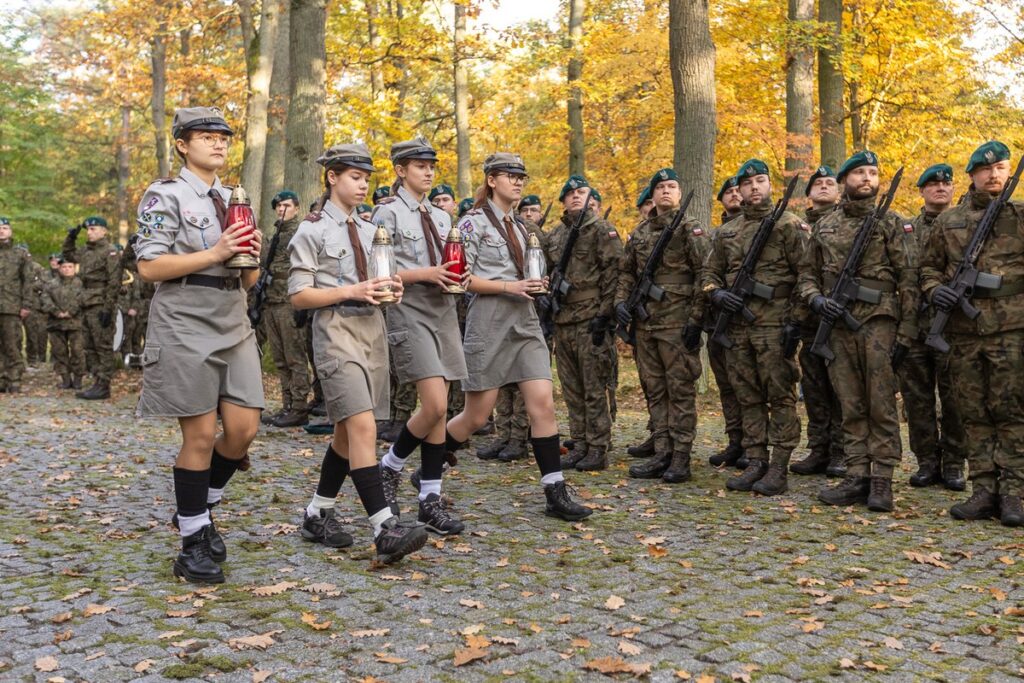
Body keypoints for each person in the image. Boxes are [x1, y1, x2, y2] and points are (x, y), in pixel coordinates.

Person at [134, 106, 265, 584]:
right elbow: (149, 267)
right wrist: (215, 252)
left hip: (233, 315)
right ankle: (192, 542)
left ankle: (200, 508)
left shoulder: (235, 198)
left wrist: (250, 254)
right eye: (205, 136)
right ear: (183, 145)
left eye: (224, 137)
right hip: (185, 317)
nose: (218, 144)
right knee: (200, 436)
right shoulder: (163, 195)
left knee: (244, 429)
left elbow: (249, 275)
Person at [289, 142, 428, 560]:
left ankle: (317, 513)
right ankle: (383, 527)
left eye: (367, 177)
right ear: (332, 177)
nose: (363, 184)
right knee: (364, 427)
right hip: (335, 331)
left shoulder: (372, 232)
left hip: (372, 331)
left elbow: (383, 281)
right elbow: (298, 295)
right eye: (354, 176)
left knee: (347, 435)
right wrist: (352, 290)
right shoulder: (310, 229)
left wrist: (394, 289)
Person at [446, 153, 592, 520]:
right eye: (510, 176)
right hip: (490, 319)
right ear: (492, 180)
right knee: (476, 416)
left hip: (524, 321)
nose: (518, 182)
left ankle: (554, 490)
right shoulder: (471, 223)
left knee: (542, 403)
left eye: (521, 177)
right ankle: (429, 462)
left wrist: (534, 283)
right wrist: (511, 285)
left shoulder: (522, 228)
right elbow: (461, 280)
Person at [799, 151, 918, 512]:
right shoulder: (825, 225)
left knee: (880, 403)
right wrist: (816, 300)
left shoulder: (891, 223)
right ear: (844, 181)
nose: (867, 178)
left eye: (872, 173)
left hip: (879, 322)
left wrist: (908, 332)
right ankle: (856, 475)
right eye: (859, 173)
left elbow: (908, 279)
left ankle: (881, 479)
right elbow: (807, 274)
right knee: (849, 403)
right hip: (836, 325)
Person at [921, 140, 1024, 527]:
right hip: (964, 333)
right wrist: (936, 290)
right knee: (973, 413)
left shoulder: (1020, 215)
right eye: (985, 169)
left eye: (1000, 168)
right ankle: (983, 490)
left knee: (1013, 413)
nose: (993, 174)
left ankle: (1014, 492)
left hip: (1013, 329)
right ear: (973, 176)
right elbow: (927, 270)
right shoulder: (949, 222)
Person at [373, 136, 468, 536]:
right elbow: (381, 269)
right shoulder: (386, 214)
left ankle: (430, 498)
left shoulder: (444, 218)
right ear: (400, 170)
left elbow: (451, 263)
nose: (428, 171)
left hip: (443, 311)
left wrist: (454, 277)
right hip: (408, 309)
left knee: (441, 411)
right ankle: (389, 467)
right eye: (418, 165)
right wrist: (426, 274)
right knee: (433, 404)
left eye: (431, 165)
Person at [702, 159, 806, 496]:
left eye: (761, 181)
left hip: (775, 325)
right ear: (739, 190)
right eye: (747, 184)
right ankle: (756, 459)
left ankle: (779, 465)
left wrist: (796, 322)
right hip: (737, 328)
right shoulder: (727, 232)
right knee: (747, 396)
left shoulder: (789, 225)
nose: (754, 187)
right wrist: (717, 294)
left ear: (769, 185)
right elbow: (709, 273)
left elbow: (807, 275)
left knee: (780, 396)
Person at [616, 168, 709, 483]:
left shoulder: (690, 229)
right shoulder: (640, 233)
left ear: (679, 194)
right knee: (655, 391)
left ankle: (681, 457)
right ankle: (661, 450)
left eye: (672, 186)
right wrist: (620, 302)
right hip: (646, 324)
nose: (666, 191)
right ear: (652, 195)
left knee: (680, 390)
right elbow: (626, 272)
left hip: (677, 324)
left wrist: (696, 320)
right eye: (660, 187)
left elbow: (704, 276)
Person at [543, 175, 622, 471]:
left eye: (582, 192)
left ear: (592, 199)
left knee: (593, 386)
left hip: (591, 319)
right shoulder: (555, 236)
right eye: (570, 193)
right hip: (563, 320)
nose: (576, 197)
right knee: (572, 387)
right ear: (564, 200)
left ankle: (598, 447)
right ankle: (580, 442)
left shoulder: (602, 230)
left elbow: (614, 275)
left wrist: (605, 316)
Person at [896, 164, 966, 491]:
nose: (941, 188)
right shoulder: (903, 228)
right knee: (917, 399)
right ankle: (926, 462)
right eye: (933, 184)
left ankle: (953, 463)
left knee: (954, 399)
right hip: (912, 326)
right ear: (922, 191)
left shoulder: (965, 226)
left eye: (946, 184)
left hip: (953, 326)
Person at [789, 166, 846, 478]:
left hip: (840, 319)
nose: (824, 187)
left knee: (840, 388)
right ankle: (819, 448)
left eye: (829, 183)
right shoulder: (795, 227)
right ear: (808, 194)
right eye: (818, 184)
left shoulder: (847, 223)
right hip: (808, 319)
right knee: (812, 387)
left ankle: (841, 451)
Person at [260, 190, 313, 428]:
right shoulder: (276, 235)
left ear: (296, 208)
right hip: (271, 302)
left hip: (289, 303)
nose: (282, 209)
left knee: (295, 358)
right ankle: (287, 405)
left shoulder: (300, 232)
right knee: (280, 359)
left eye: (287, 205)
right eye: (279, 206)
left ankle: (300, 406)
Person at [705, 176, 746, 468]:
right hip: (719, 322)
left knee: (751, 387)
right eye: (727, 192)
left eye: (737, 190)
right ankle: (736, 442)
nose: (734, 195)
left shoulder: (765, 228)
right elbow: (706, 275)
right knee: (727, 387)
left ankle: (754, 447)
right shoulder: (716, 235)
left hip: (752, 322)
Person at [63, 216, 122, 400]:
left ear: (104, 231)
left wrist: (108, 307)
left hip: (101, 303)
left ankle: (104, 385)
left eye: (94, 229)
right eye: (88, 230)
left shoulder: (110, 252)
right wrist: (71, 238)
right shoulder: (87, 251)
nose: (90, 232)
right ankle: (97, 381)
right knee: (89, 346)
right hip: (86, 302)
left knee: (103, 346)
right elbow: (68, 255)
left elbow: (114, 282)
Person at [42, 257, 86, 388]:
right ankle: (65, 379)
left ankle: (78, 379)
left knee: (78, 351)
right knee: (59, 352)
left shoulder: (81, 283)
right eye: (64, 267)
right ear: (59, 268)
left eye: (70, 267)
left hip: (76, 323)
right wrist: (56, 312)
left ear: (74, 268)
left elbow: (83, 298)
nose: (67, 270)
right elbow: (45, 299)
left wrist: (70, 312)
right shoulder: (51, 284)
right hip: (56, 324)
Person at [0, 216, 33, 392]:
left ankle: (14, 378)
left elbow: (27, 281)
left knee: (11, 343)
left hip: (11, 305)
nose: (1, 230)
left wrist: (26, 304)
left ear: (10, 231)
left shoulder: (20, 254)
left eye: (5, 227)